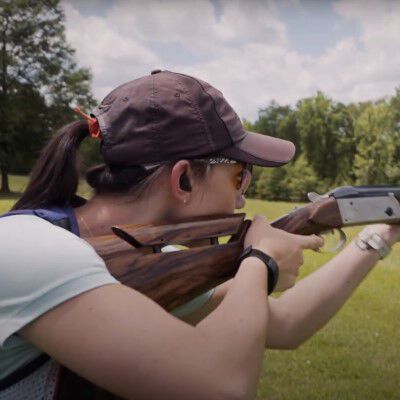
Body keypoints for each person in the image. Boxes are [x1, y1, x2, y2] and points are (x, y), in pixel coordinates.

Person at [0, 70, 398, 400]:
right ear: (185, 179)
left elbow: (288, 322)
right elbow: (220, 385)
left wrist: (380, 234)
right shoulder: (35, 251)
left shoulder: (139, 261)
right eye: (240, 175)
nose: (242, 199)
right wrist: (260, 262)